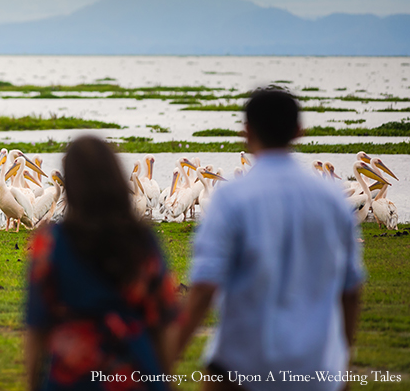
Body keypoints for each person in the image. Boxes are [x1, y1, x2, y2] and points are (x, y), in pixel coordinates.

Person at [175, 88, 364, 390]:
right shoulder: (331, 198)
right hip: (315, 371)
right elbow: (351, 291)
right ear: (299, 132)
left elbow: (204, 286)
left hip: (241, 368)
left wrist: (167, 359)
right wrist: (341, 361)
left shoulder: (230, 198)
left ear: (246, 132)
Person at [25, 135, 179, 391]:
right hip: (133, 374)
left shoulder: (50, 242)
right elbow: (162, 321)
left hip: (72, 376)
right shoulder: (142, 239)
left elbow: (37, 326)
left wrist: (34, 383)